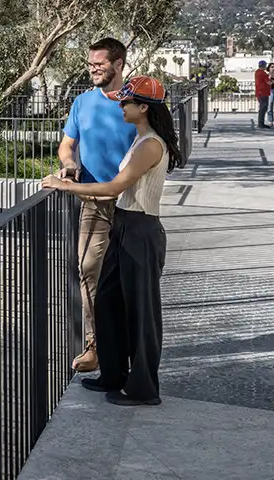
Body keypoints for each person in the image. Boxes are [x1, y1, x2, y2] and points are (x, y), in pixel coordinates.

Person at [43, 75, 184, 406]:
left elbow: (113, 187)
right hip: (124, 226)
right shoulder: (141, 140)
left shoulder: (151, 145)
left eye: (126, 102)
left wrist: (66, 187)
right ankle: (112, 373)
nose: (120, 106)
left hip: (140, 230)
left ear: (143, 108)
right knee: (107, 300)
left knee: (141, 311)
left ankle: (143, 388)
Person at [57, 36, 136, 375]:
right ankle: (96, 345)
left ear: (119, 64)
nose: (93, 70)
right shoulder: (82, 103)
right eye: (90, 65)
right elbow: (66, 146)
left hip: (132, 204)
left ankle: (130, 347)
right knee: (89, 271)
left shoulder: (137, 102)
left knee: (130, 279)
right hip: (92, 202)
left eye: (99, 65)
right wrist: (69, 165)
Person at [253, 60, 272, 129]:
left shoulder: (257, 72)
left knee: (262, 108)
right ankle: (261, 124)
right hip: (263, 93)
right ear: (264, 66)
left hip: (259, 92)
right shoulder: (263, 73)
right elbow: (268, 82)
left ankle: (261, 123)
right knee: (263, 109)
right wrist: (271, 79)